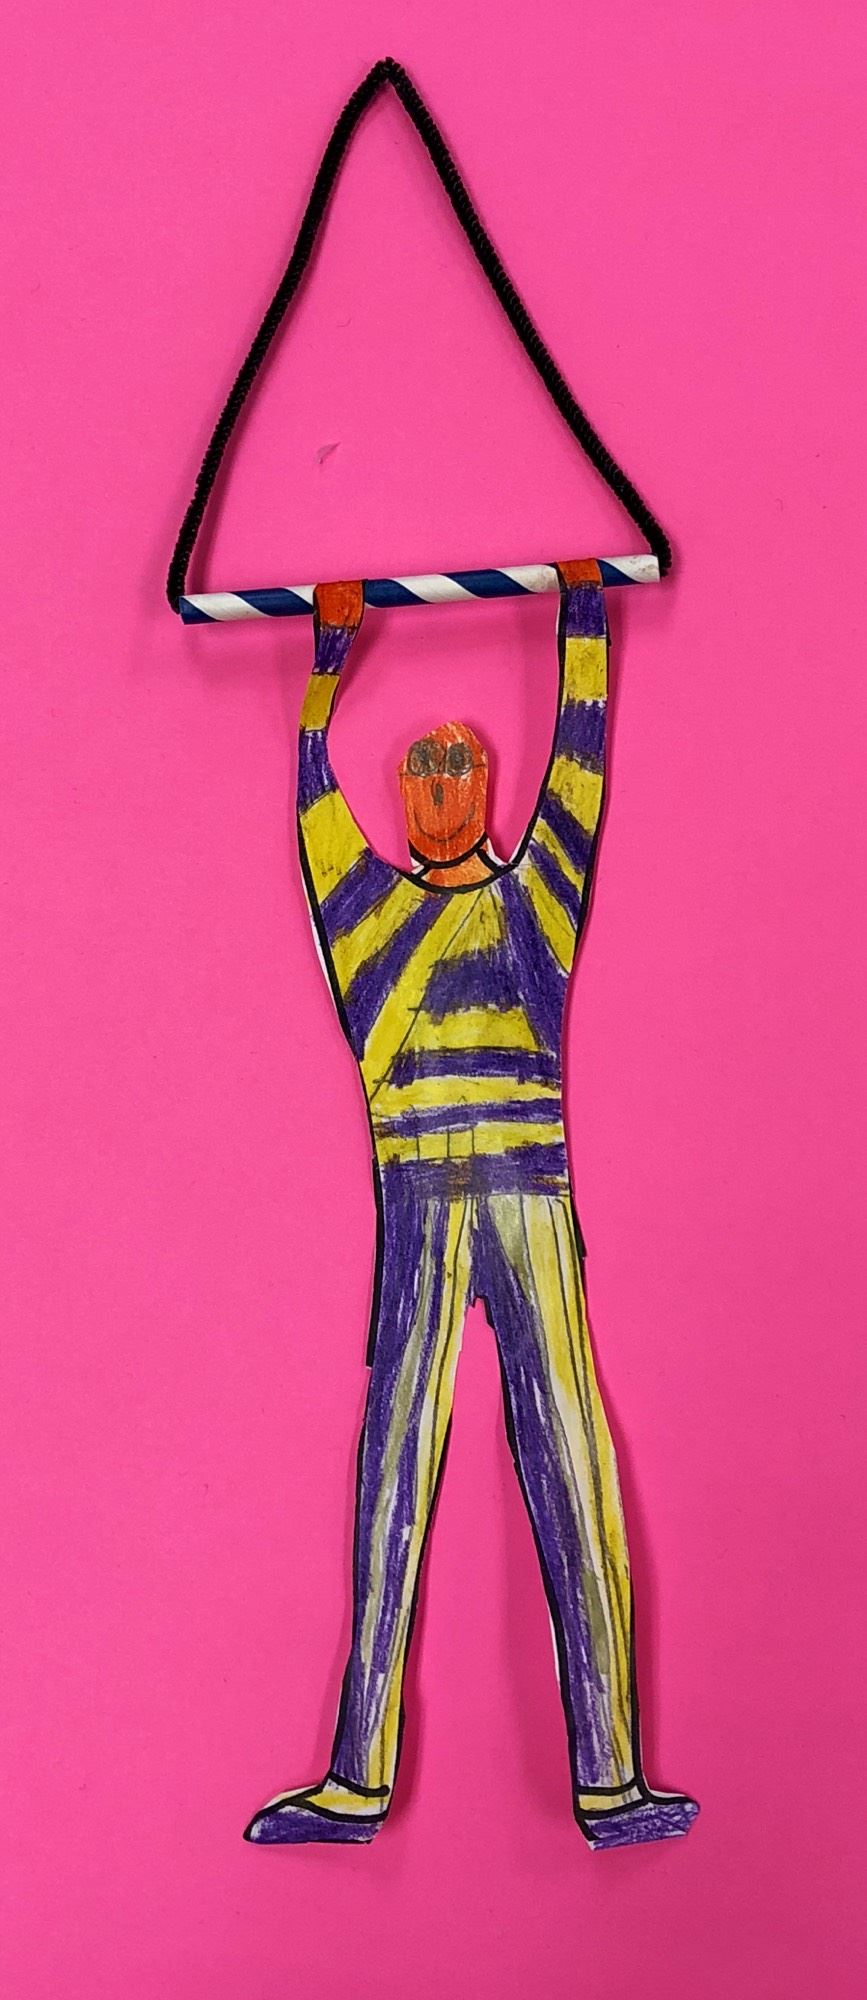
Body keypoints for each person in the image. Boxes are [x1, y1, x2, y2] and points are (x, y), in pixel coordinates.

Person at [244, 563, 698, 1851]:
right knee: (394, 1464)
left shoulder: (535, 902)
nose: (443, 788)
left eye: (459, 771)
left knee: (571, 1452)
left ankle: (609, 1774)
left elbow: (581, 774)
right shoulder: (369, 922)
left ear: (484, 793)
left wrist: (583, 618)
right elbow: (313, 814)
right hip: (419, 1203)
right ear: (408, 804)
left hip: (530, 1196)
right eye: (425, 775)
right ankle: (358, 1776)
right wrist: (323, 674)